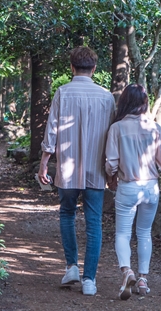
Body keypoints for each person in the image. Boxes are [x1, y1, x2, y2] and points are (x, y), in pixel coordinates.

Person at [37, 46, 116, 296]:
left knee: (67, 214)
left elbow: (52, 130)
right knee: (94, 223)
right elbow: (113, 136)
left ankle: (71, 266)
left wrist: (44, 163)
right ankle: (90, 279)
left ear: (72, 67)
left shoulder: (63, 92)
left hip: (67, 169)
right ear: (94, 69)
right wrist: (113, 171)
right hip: (96, 169)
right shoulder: (106, 96)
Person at [105, 84, 161, 299]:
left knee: (123, 233)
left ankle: (127, 271)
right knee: (144, 233)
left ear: (124, 102)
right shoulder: (155, 128)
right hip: (151, 187)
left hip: (128, 186)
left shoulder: (117, 128)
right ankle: (143, 279)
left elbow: (111, 163)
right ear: (144, 103)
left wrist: (110, 177)